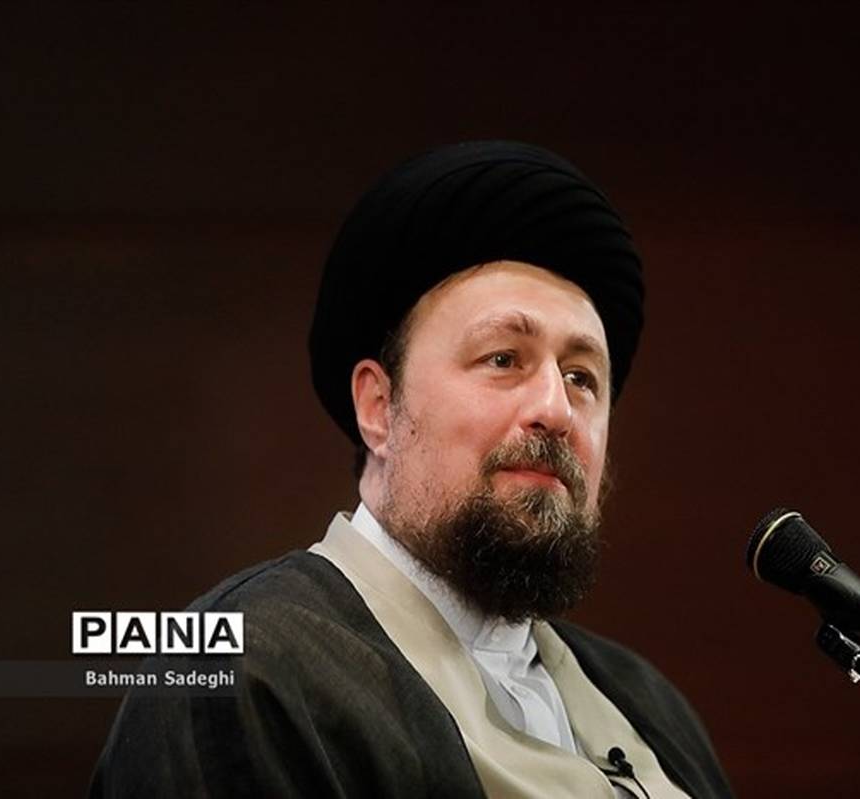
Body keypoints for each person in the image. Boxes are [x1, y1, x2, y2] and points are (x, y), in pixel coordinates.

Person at [92, 141, 733, 798]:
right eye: (503, 359)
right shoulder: (243, 670)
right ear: (378, 406)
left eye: (581, 377)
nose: (555, 408)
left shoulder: (649, 706)